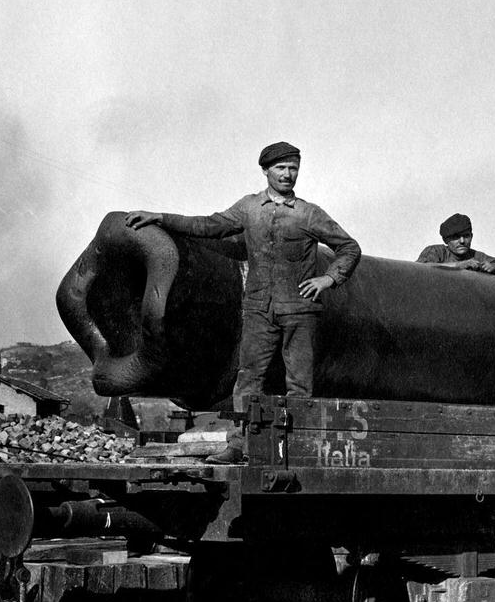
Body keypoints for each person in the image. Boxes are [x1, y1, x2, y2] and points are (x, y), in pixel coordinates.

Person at [125, 141, 361, 464]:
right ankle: (240, 445)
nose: (287, 174)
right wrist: (160, 218)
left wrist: (329, 279)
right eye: (280, 168)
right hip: (259, 311)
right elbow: (208, 226)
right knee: (248, 380)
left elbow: (349, 247)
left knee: (299, 385)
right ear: (266, 171)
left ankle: (298, 449)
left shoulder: (308, 213)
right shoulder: (249, 208)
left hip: (300, 311)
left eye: (293, 168)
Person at [415, 213, 495, 280]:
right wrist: (459, 265)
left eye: (466, 236)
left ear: (471, 236)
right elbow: (419, 269)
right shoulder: (436, 251)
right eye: (456, 237)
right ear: (446, 240)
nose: (462, 241)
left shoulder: (478, 256)